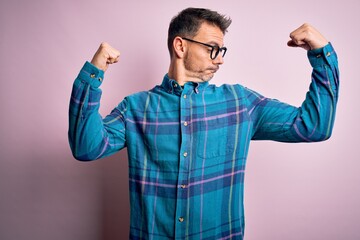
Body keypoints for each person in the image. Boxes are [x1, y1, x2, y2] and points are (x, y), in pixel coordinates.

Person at [68, 7, 339, 240]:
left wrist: (321, 53)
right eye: (212, 49)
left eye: (222, 50)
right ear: (180, 46)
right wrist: (94, 72)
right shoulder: (136, 108)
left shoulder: (240, 102)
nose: (220, 58)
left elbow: (314, 126)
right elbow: (87, 147)